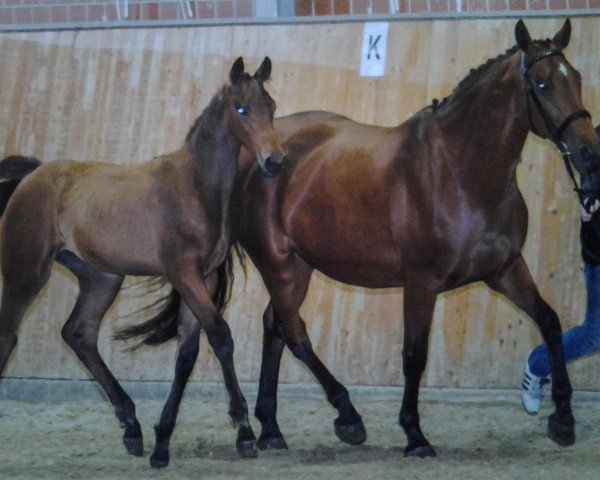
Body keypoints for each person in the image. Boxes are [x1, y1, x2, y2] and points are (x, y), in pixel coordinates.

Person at [521, 128, 600, 414]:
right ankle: (539, 365)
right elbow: (591, 174)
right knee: (594, 336)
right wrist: (590, 199)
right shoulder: (596, 140)